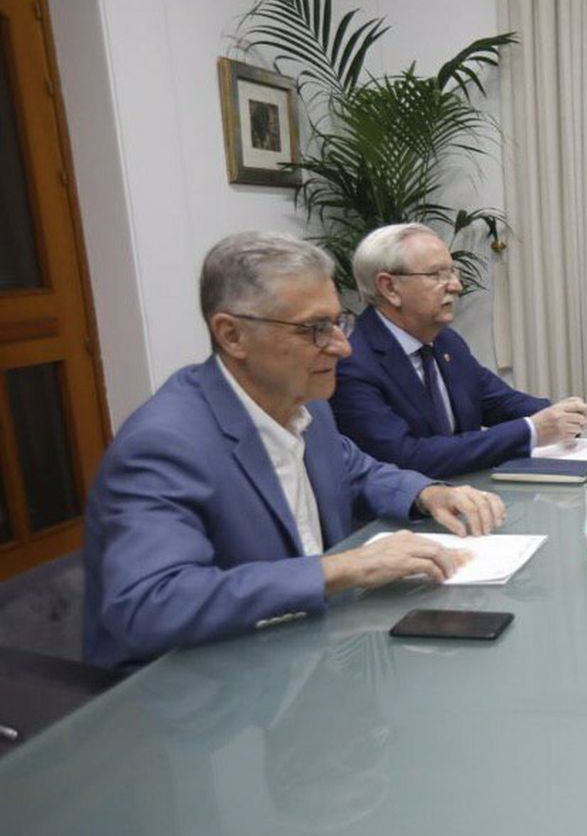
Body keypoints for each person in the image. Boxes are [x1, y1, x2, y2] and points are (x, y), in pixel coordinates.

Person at [83, 232, 507, 671]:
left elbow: (355, 468)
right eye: (314, 330)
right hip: (193, 694)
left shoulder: (306, 403)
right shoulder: (165, 444)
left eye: (336, 323)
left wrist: (428, 494)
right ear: (232, 335)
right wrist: (343, 569)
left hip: (306, 654)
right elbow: (150, 605)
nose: (342, 347)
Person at [330, 223, 587, 478]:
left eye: (453, 272)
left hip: (471, 496)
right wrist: (532, 430)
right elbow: (406, 457)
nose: (456, 286)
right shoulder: (351, 360)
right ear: (389, 288)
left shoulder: (446, 341)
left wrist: (561, 414)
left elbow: (498, 401)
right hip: (399, 517)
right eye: (437, 275)